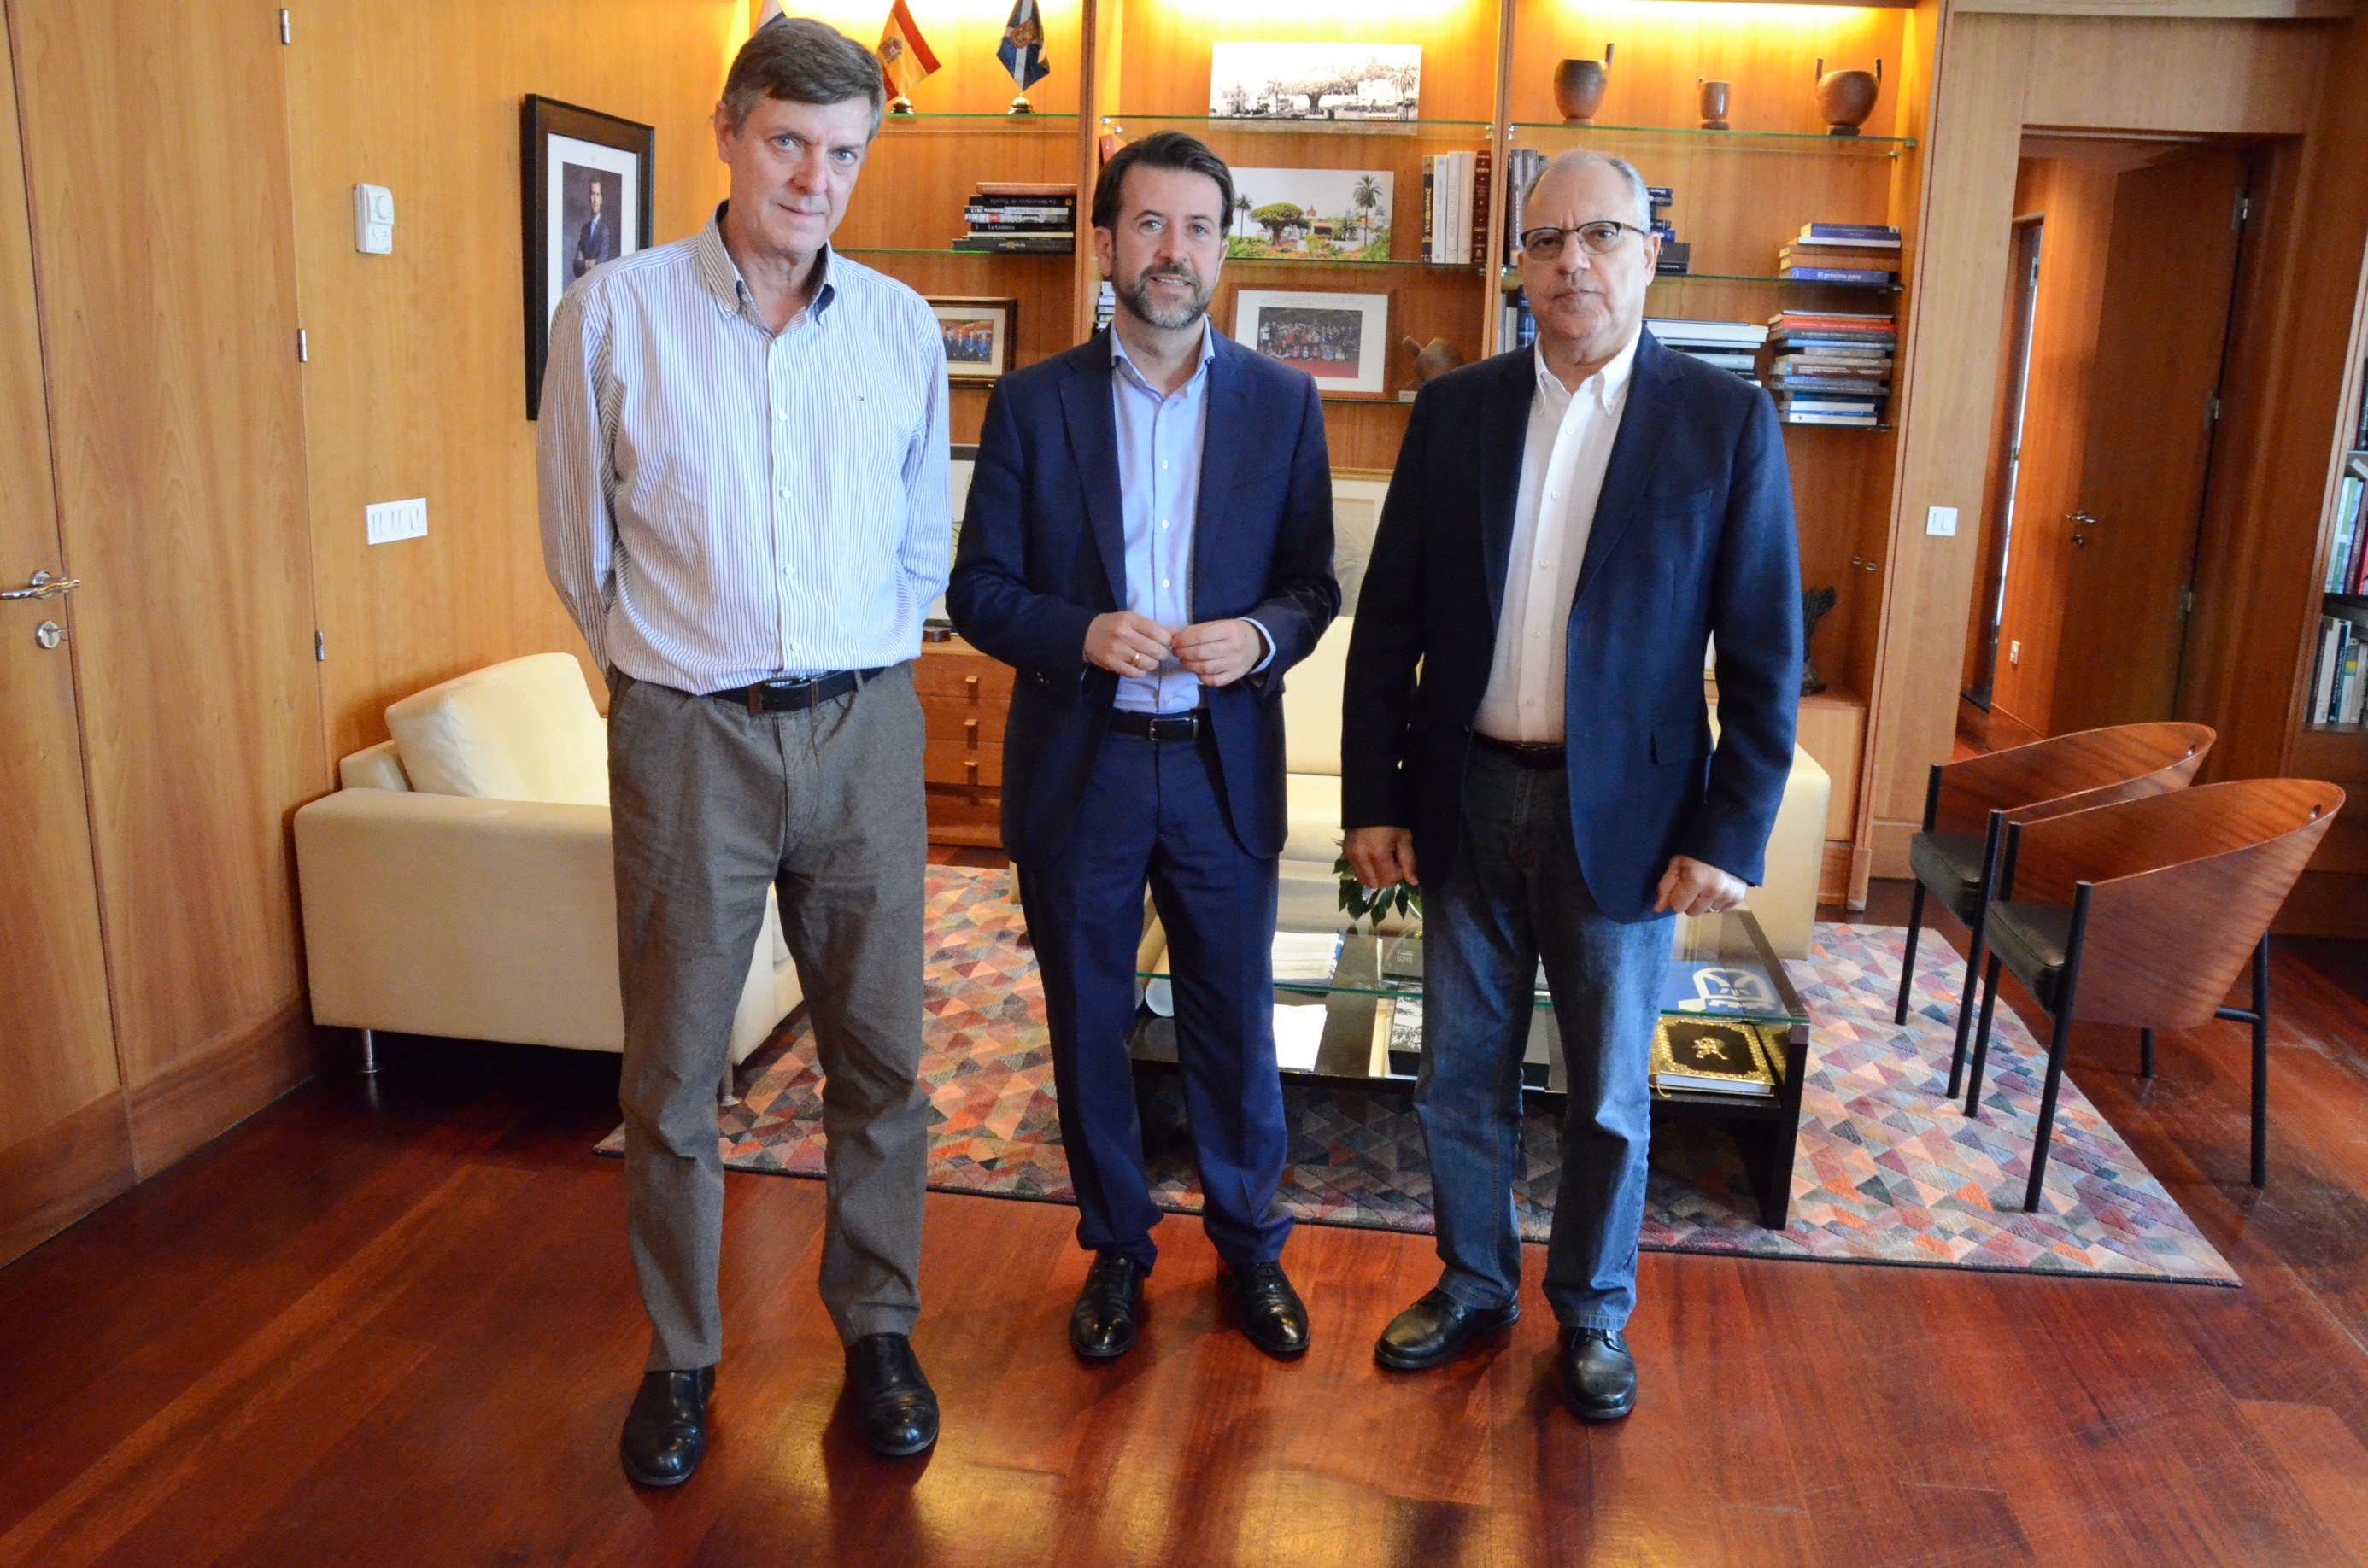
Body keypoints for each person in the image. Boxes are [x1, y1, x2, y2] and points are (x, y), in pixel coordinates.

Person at [537, 16, 952, 1485]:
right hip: (687, 737)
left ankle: (879, 1328)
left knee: (881, 1059)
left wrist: (858, 664)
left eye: (843, 153)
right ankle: (681, 1357)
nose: (813, 179)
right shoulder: (613, 315)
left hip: (864, 729)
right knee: (670, 1078)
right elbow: (579, 550)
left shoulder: (901, 328)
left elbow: (922, 541)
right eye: (788, 142)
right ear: (726, 133)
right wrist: (671, 677)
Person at [1341, 149, 1800, 1422]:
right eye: (1546, 241)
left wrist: (1732, 830)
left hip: (1632, 821)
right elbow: (1388, 627)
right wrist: (1375, 795)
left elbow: (1765, 652)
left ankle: (1594, 1313)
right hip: (1465, 795)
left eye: (1599, 236)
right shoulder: (1458, 411)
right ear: (1519, 268)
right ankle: (1474, 1283)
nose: (1572, 263)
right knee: (1457, 1077)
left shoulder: (1723, 423)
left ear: (1649, 254)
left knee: (1605, 1094)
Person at [947, 131, 1337, 1365]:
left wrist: (1259, 639)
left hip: (1222, 764)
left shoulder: (1284, 404)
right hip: (1087, 763)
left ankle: (1250, 1246)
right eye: (1152, 225)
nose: (1175, 252)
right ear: (1109, 241)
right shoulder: (1033, 402)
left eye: (1199, 229)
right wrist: (1079, 633)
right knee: (1089, 1022)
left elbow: (1314, 586)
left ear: (1224, 249)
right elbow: (977, 590)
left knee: (1234, 1021)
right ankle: (1117, 1246)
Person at [571, 176, 617, 278]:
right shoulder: (584, 230)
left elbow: (601, 265)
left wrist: (584, 263)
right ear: (589, 197)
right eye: (592, 194)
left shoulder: (605, 230)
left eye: (598, 195)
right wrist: (589, 263)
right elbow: (576, 266)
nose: (595, 200)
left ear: (601, 199)